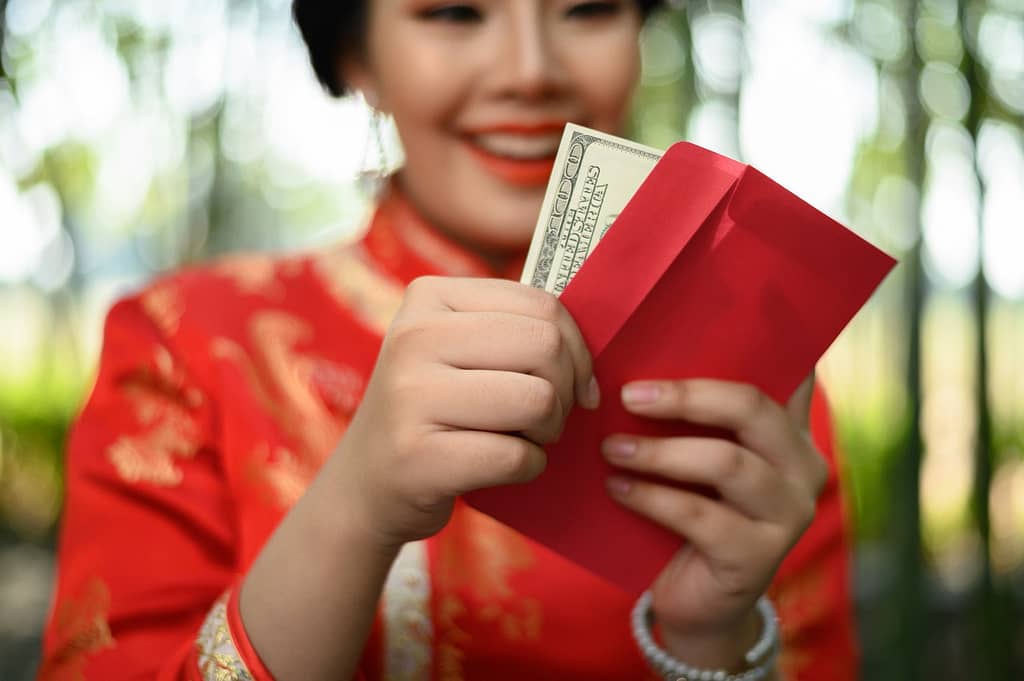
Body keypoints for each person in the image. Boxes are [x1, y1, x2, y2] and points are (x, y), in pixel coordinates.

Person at [38, 1, 859, 679]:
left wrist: (708, 636)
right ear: (356, 55)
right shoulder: (187, 343)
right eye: (455, 12)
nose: (531, 69)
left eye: (591, 8)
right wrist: (353, 508)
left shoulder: (747, 390)